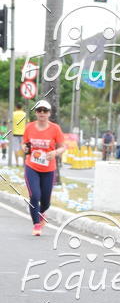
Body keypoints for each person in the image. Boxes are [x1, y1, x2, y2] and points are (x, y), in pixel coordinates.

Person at [22, 99, 66, 235]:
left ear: (49, 113)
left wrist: (55, 152)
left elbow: (63, 146)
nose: (42, 113)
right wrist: (24, 147)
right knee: (35, 195)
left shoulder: (55, 129)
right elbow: (25, 143)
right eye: (39, 110)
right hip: (32, 166)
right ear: (36, 113)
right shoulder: (29, 127)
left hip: (48, 169)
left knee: (46, 201)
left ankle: (40, 214)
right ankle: (36, 224)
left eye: (45, 110)